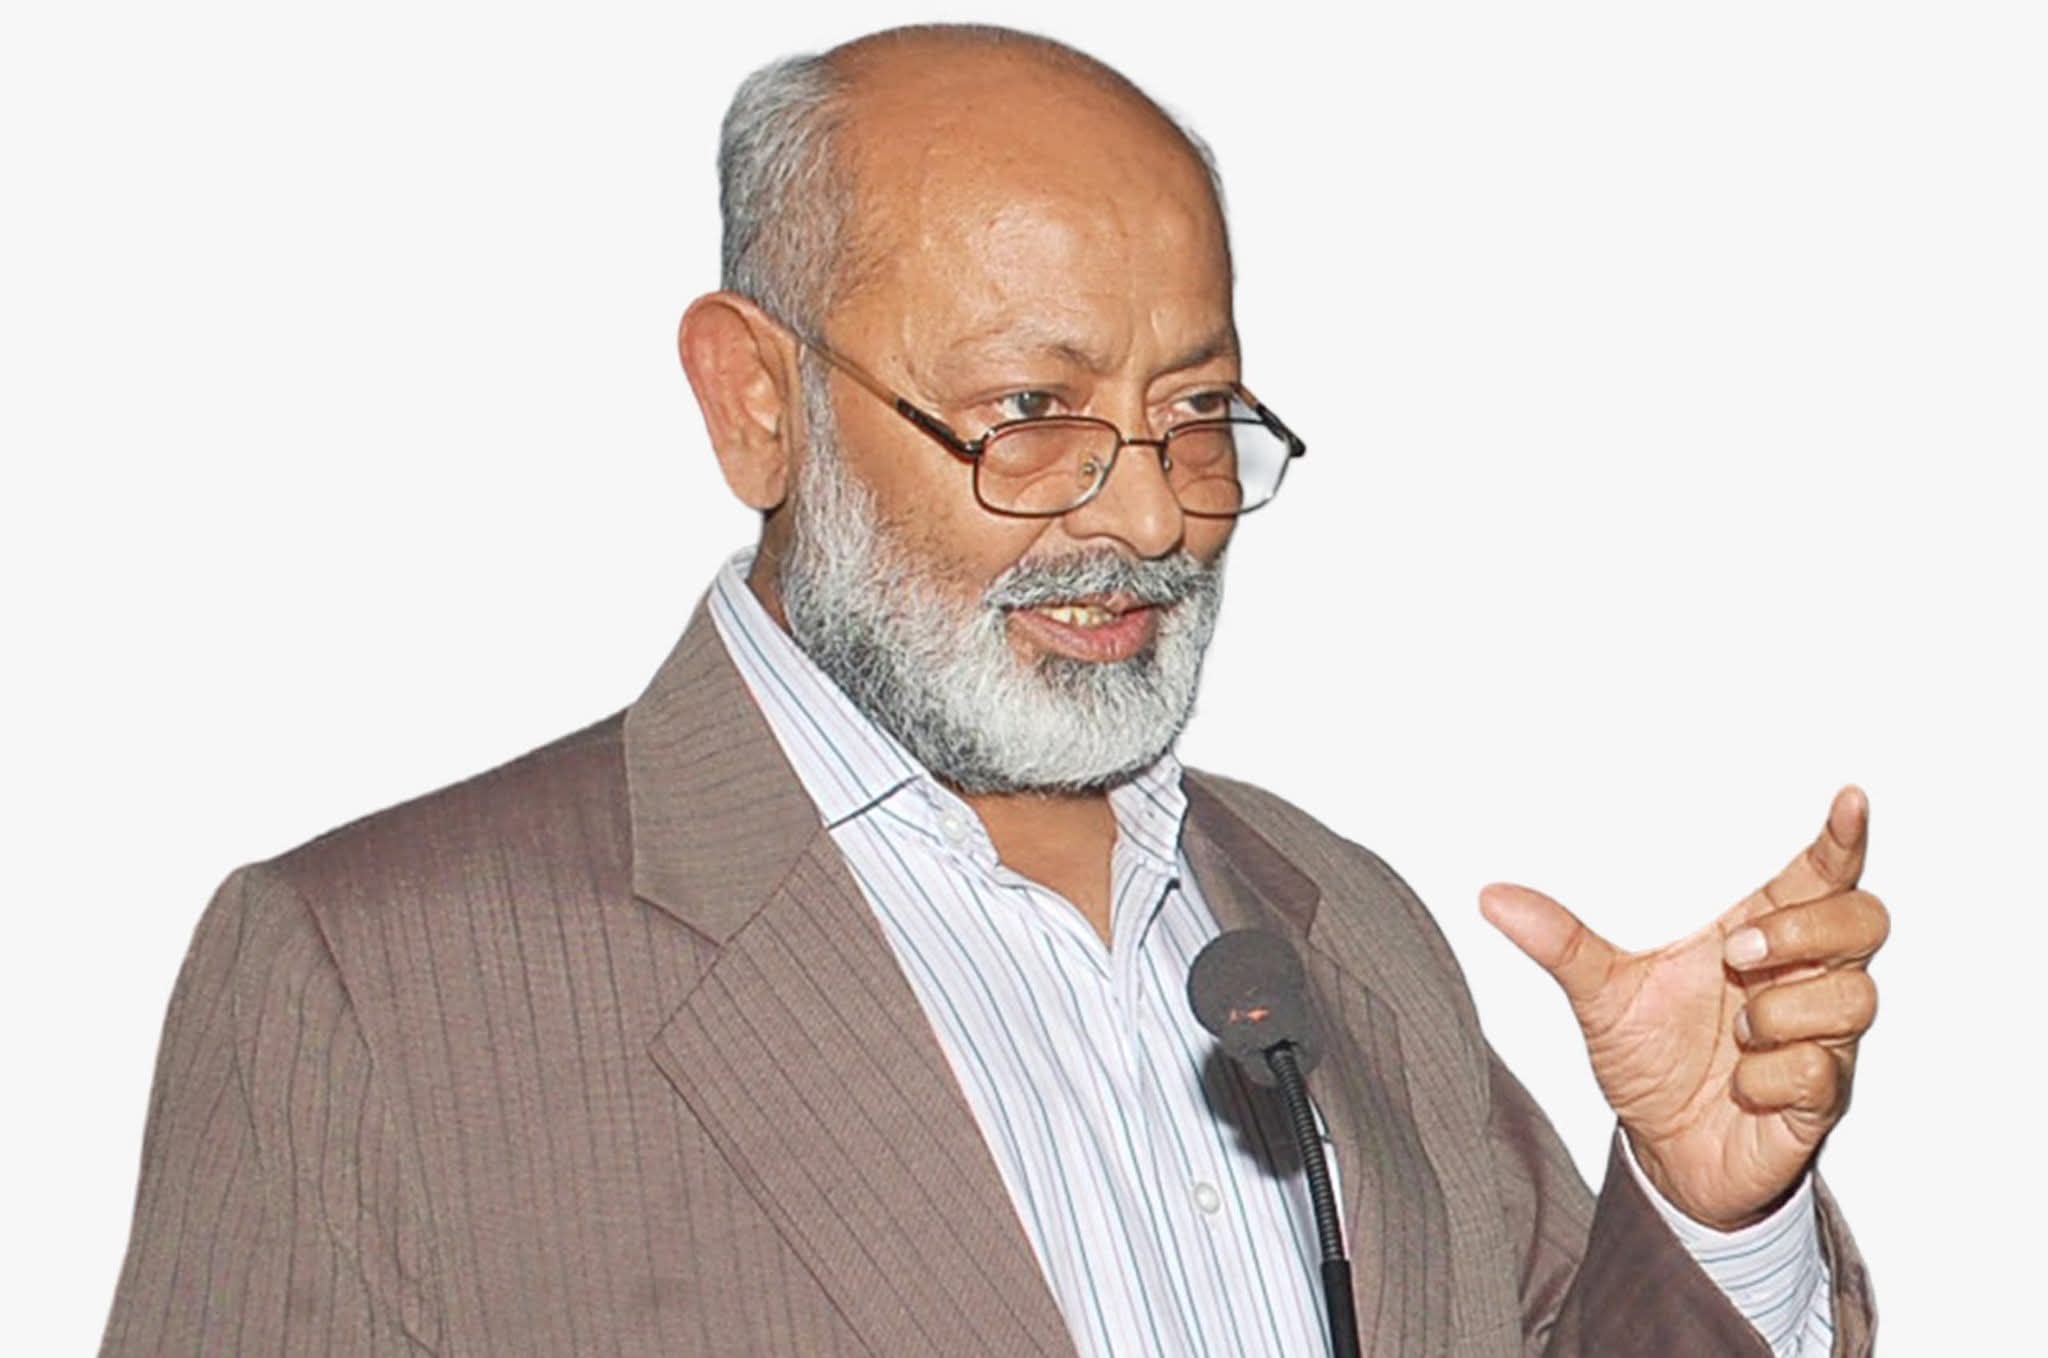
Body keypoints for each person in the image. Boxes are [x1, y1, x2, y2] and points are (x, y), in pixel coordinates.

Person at [100, 22, 1888, 1357]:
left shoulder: (1337, 929)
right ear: (755, 402)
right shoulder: (372, 985)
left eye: (1196, 409)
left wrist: (1707, 1214)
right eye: (1030, 412)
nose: (1148, 514)